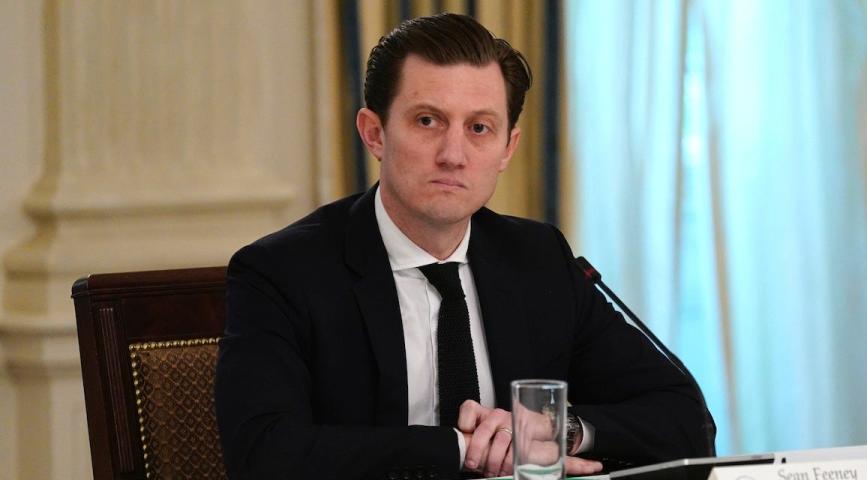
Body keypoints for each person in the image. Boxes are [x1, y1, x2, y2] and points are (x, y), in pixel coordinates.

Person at [215, 12, 713, 480]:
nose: (454, 155)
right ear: (374, 133)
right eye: (428, 121)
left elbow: (684, 418)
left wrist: (561, 431)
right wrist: (465, 448)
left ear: (506, 149)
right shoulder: (282, 272)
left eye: (479, 128)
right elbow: (263, 453)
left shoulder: (539, 259)